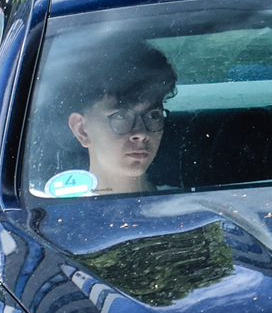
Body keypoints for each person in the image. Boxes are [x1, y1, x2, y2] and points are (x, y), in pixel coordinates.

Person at [45, 40, 176, 197]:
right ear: (81, 130)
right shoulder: (54, 216)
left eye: (153, 115)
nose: (141, 133)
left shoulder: (189, 208)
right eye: (120, 116)